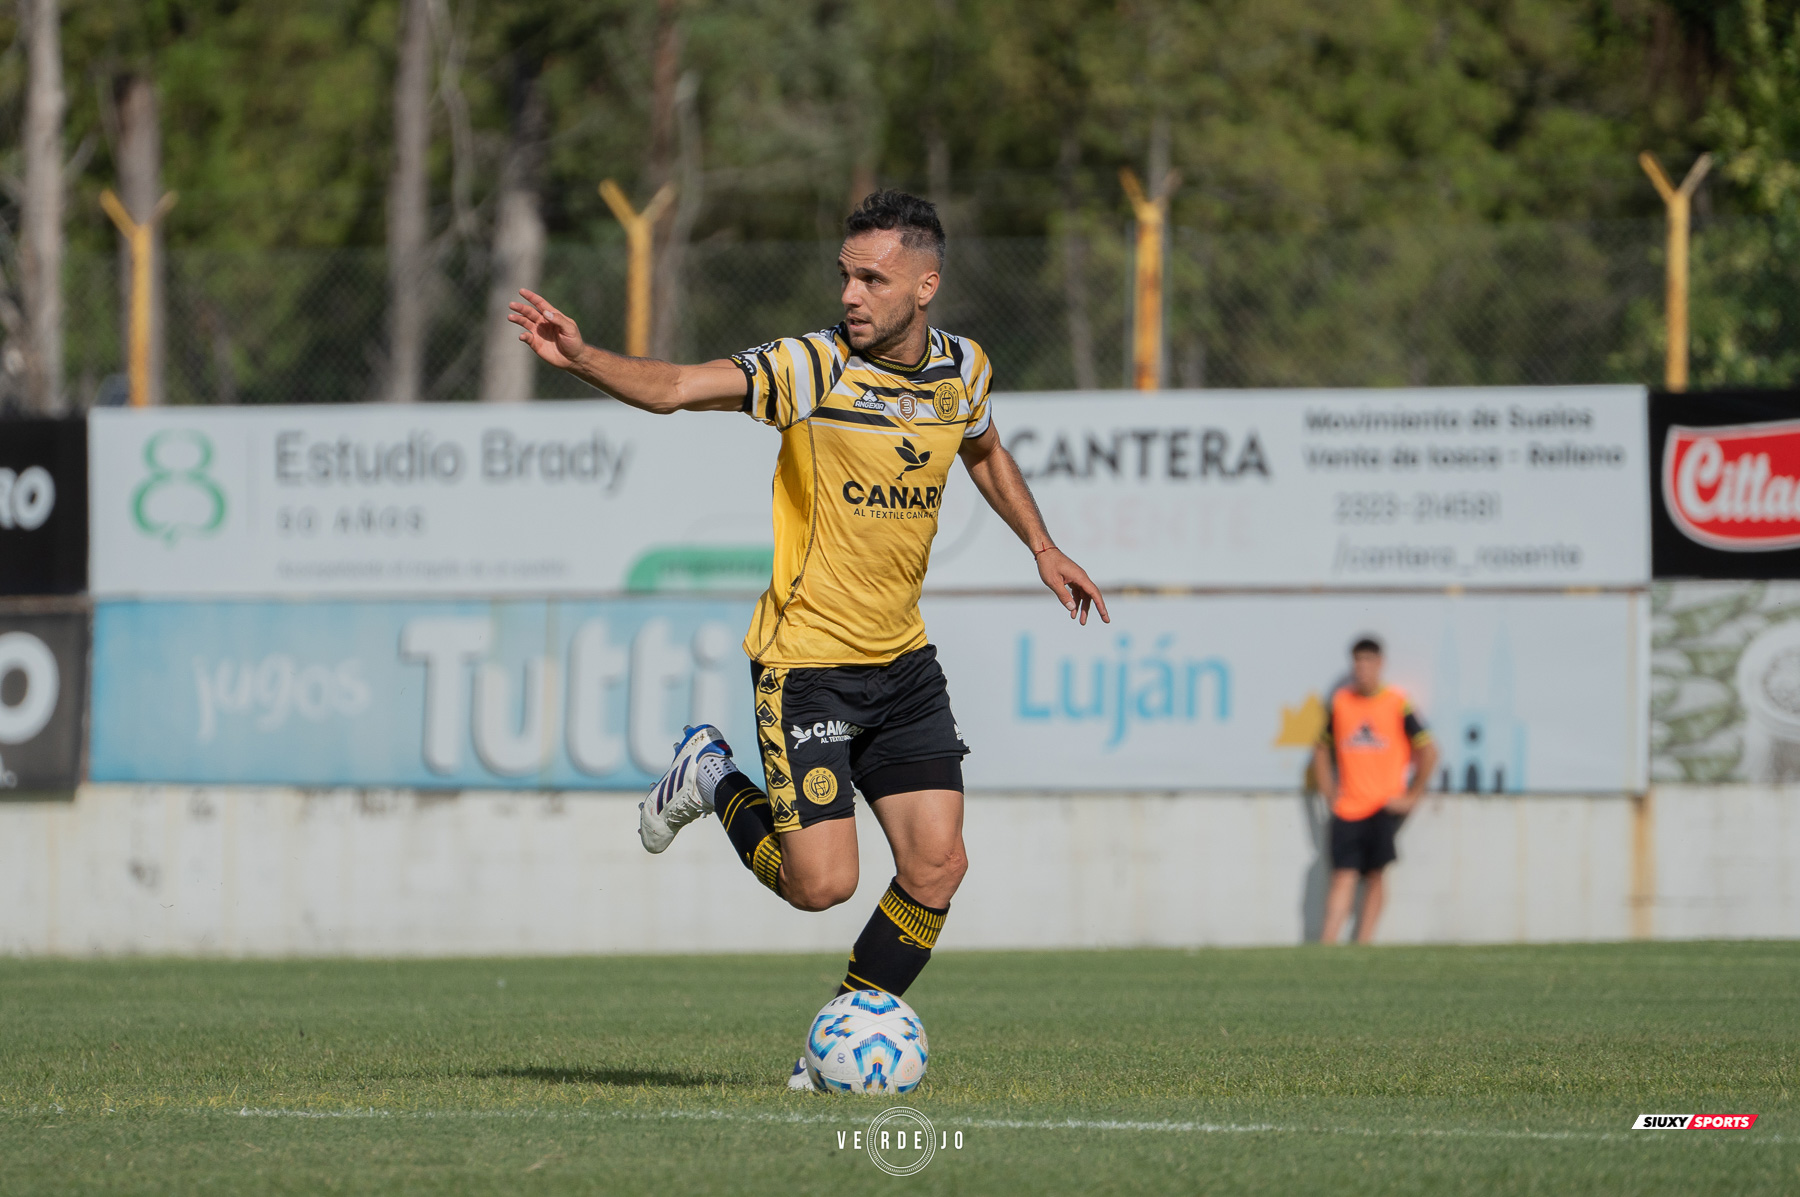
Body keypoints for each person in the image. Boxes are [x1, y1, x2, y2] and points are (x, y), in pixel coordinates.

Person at [508, 190, 1109, 1087]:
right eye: (845, 275)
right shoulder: (810, 368)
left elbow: (983, 448)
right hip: (808, 668)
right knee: (818, 884)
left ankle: (826, 1048)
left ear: (925, 284)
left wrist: (1042, 543)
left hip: (902, 663)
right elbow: (676, 387)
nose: (853, 295)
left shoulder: (964, 370)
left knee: (937, 866)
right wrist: (583, 356)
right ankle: (710, 774)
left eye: (874, 278)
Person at [1311, 636, 1438, 944]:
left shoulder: (1397, 702)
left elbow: (1429, 750)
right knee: (1342, 874)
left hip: (1383, 804)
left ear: (1380, 664)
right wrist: (1329, 791)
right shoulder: (1341, 702)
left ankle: (1363, 943)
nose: (1363, 668)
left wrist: (1412, 795)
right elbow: (1321, 748)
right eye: (1358, 661)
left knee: (1375, 875)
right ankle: (1327, 944)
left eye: (1369, 661)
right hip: (1348, 806)